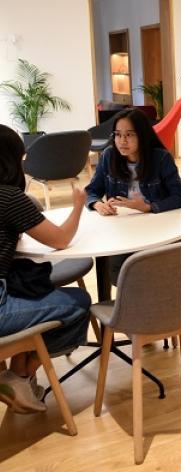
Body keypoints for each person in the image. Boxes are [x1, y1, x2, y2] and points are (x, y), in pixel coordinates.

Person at [0, 124, 90, 414]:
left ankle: (17, 376)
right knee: (79, 303)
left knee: (34, 294)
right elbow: (61, 240)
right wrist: (78, 205)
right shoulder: (9, 198)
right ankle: (23, 375)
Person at [85, 108, 181, 282]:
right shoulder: (109, 156)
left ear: (142, 135)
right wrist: (97, 204)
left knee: (140, 271)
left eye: (129, 135)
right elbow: (91, 191)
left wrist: (148, 207)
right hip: (124, 229)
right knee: (116, 271)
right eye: (118, 135)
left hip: (158, 229)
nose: (122, 141)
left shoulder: (161, 158)